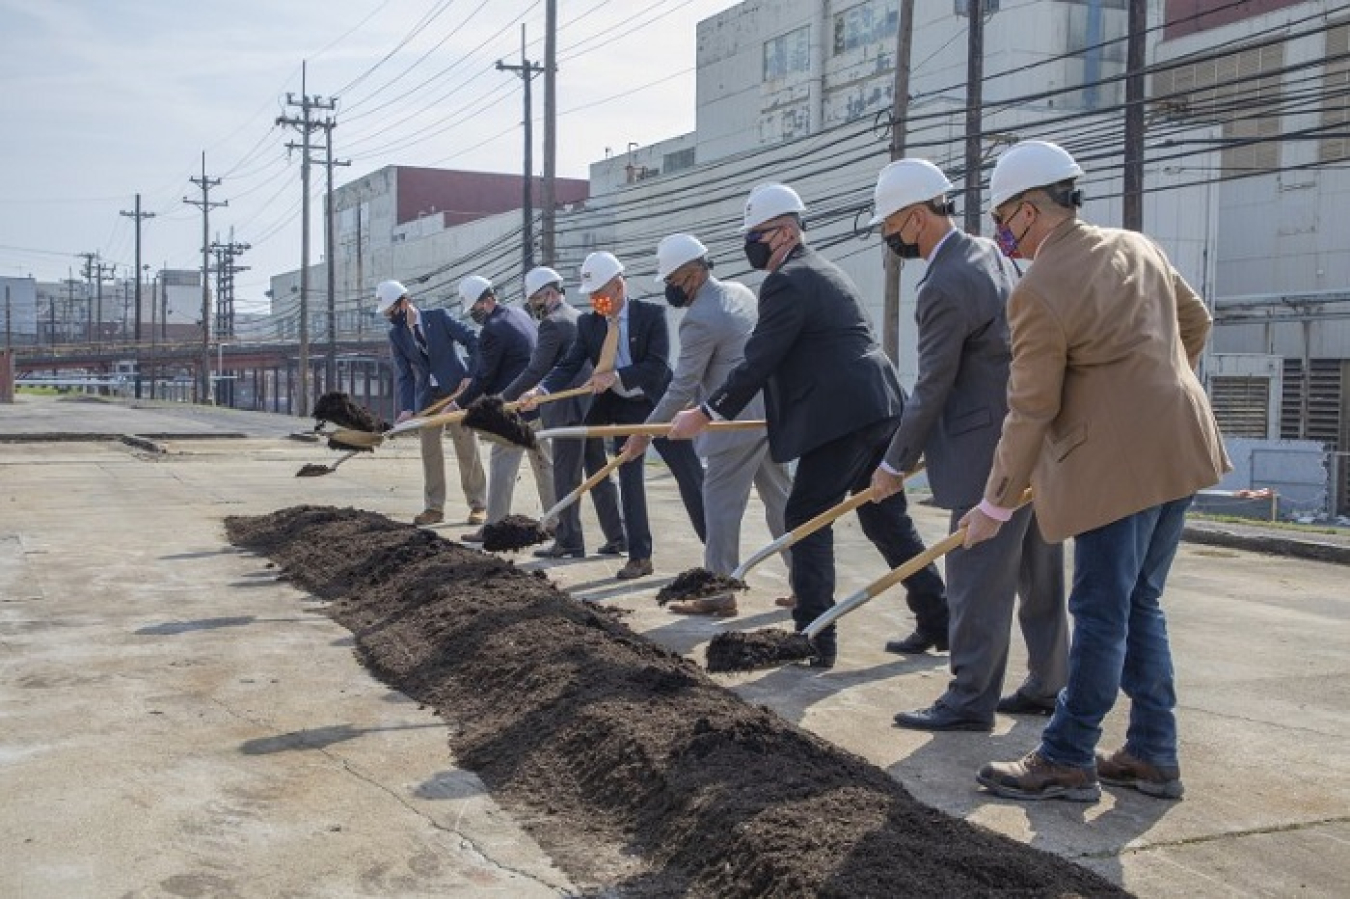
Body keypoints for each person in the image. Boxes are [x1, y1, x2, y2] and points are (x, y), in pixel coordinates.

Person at [965, 141, 1230, 802]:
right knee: (1141, 602)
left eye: (1004, 220)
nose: (1003, 236)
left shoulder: (1039, 290)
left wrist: (995, 504)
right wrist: (1151, 391)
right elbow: (1196, 322)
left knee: (1101, 611)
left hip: (1122, 471)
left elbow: (1030, 407)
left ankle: (1067, 755)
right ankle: (1152, 751)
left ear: (1029, 210)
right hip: (1183, 445)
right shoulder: (1137, 246)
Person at [668, 183, 946, 668]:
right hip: (877, 406)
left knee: (805, 517)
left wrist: (707, 413)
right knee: (885, 517)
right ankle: (938, 618)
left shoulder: (788, 281)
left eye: (758, 233)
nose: (750, 243)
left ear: (788, 231)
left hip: (845, 417)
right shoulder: (821, 271)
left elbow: (760, 358)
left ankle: (815, 633)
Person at [863, 159, 1068, 733]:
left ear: (912, 217)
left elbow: (932, 387)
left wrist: (893, 463)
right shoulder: (990, 253)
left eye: (890, 226)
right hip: (1029, 436)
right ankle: (1051, 684)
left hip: (985, 452)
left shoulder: (943, 285)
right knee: (1038, 570)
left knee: (976, 580)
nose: (889, 237)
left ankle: (969, 698)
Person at [620, 234, 794, 616]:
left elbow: (680, 387)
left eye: (674, 281)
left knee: (718, 509)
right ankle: (806, 584)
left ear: (695, 273)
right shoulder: (739, 292)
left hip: (730, 423)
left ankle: (718, 593)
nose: (671, 289)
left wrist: (642, 434)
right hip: (767, 415)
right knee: (781, 502)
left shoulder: (700, 319)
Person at [524, 251, 706, 580]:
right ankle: (639, 556)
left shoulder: (650, 315)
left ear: (618, 287)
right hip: (624, 409)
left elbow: (657, 364)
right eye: (591, 296)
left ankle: (716, 550)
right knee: (629, 479)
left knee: (689, 476)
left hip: (659, 404)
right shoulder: (588, 323)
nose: (595, 301)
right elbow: (568, 364)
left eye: (599, 295)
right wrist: (541, 391)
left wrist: (617, 377)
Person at [501, 266, 626, 559]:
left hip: (567, 411)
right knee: (599, 474)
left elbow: (537, 369)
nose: (533, 306)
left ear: (549, 293)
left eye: (535, 299)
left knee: (566, 478)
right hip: (590, 408)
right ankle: (619, 536)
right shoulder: (579, 317)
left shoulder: (553, 324)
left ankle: (569, 541)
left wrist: (502, 397)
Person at [450, 275, 556, 542]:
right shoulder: (518, 315)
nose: (474, 315)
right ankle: (557, 521)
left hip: (513, 410)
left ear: (486, 302)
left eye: (474, 309)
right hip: (536, 403)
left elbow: (484, 377)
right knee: (545, 464)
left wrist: (457, 404)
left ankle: (493, 527)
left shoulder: (493, 328)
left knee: (501, 466)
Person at [375, 279, 486, 527]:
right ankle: (434, 508)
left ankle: (478, 505)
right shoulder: (396, 335)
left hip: (457, 392)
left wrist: (470, 375)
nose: (389, 318)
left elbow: (473, 340)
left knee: (466, 448)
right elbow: (404, 374)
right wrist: (406, 409)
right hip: (428, 398)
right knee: (430, 452)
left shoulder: (439, 318)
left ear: (404, 303)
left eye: (391, 312)